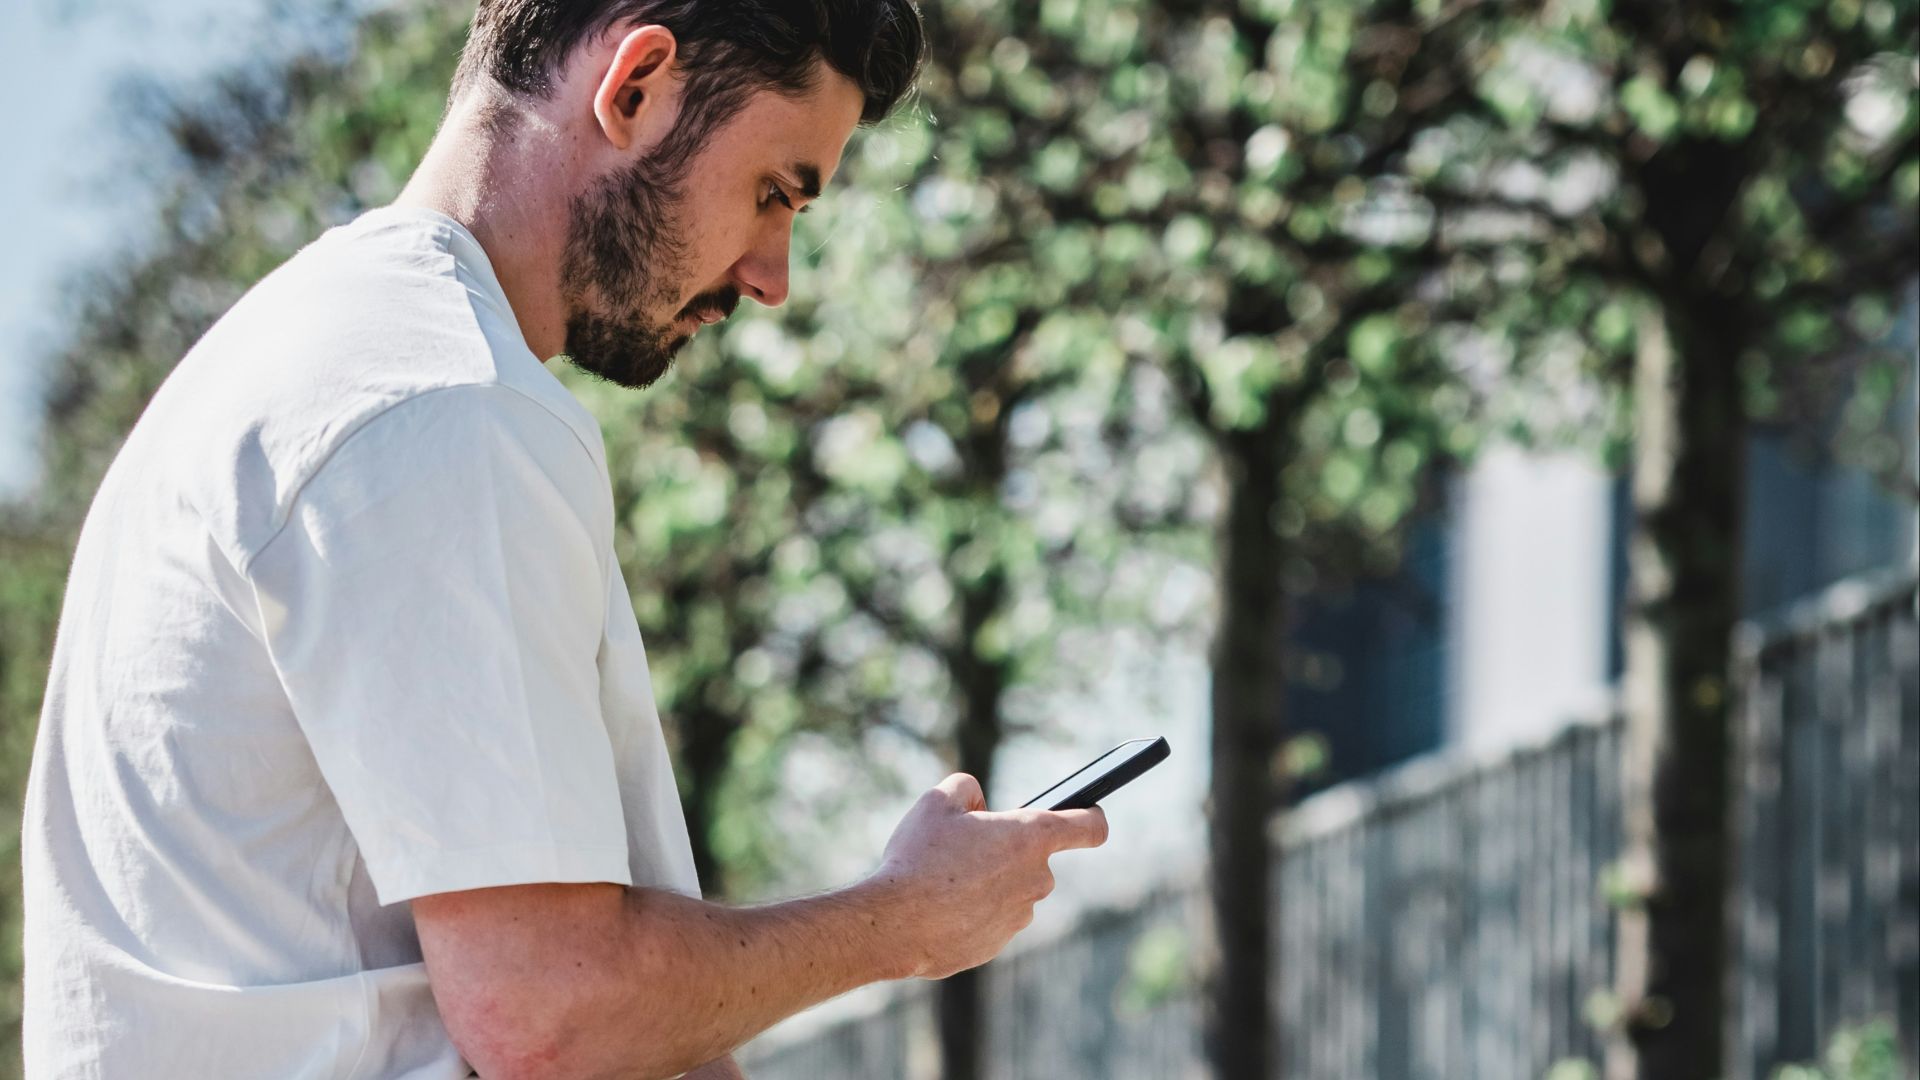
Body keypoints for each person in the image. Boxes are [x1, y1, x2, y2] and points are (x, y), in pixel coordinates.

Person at [20, 2, 1110, 1077]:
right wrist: (900, 921)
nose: (772, 277)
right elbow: (553, 1018)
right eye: (774, 192)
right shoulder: (439, 407)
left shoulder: (314, 353)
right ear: (635, 85)